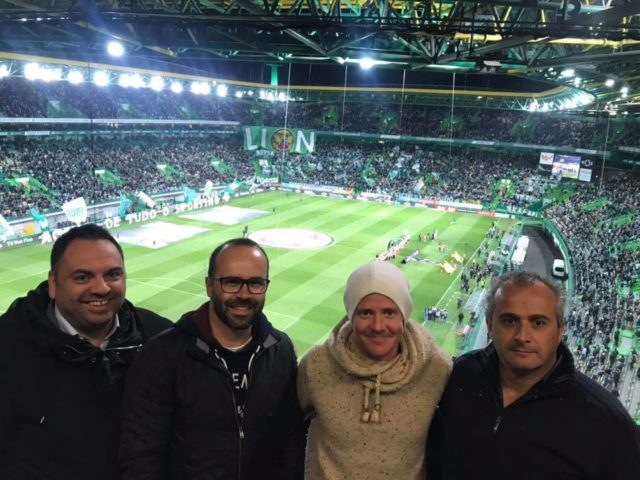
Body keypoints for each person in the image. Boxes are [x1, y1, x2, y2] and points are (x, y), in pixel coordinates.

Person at [120, 238, 304, 479]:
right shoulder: (163, 355)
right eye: (232, 282)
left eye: (255, 283)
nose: (244, 294)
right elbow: (141, 456)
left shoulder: (281, 350)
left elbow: (290, 439)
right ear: (209, 286)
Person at [427, 271, 640, 480]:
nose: (522, 336)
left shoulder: (606, 421)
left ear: (559, 330)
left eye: (538, 323)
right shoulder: (464, 374)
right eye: (509, 321)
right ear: (490, 326)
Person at [0, 224, 171, 480]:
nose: (101, 288)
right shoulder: (9, 345)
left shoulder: (159, 337)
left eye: (113, 275)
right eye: (82, 277)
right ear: (53, 284)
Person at [298, 261, 451, 480]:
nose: (378, 326)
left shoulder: (436, 368)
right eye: (366, 313)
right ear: (351, 316)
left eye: (389, 313)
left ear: (404, 316)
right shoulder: (317, 365)